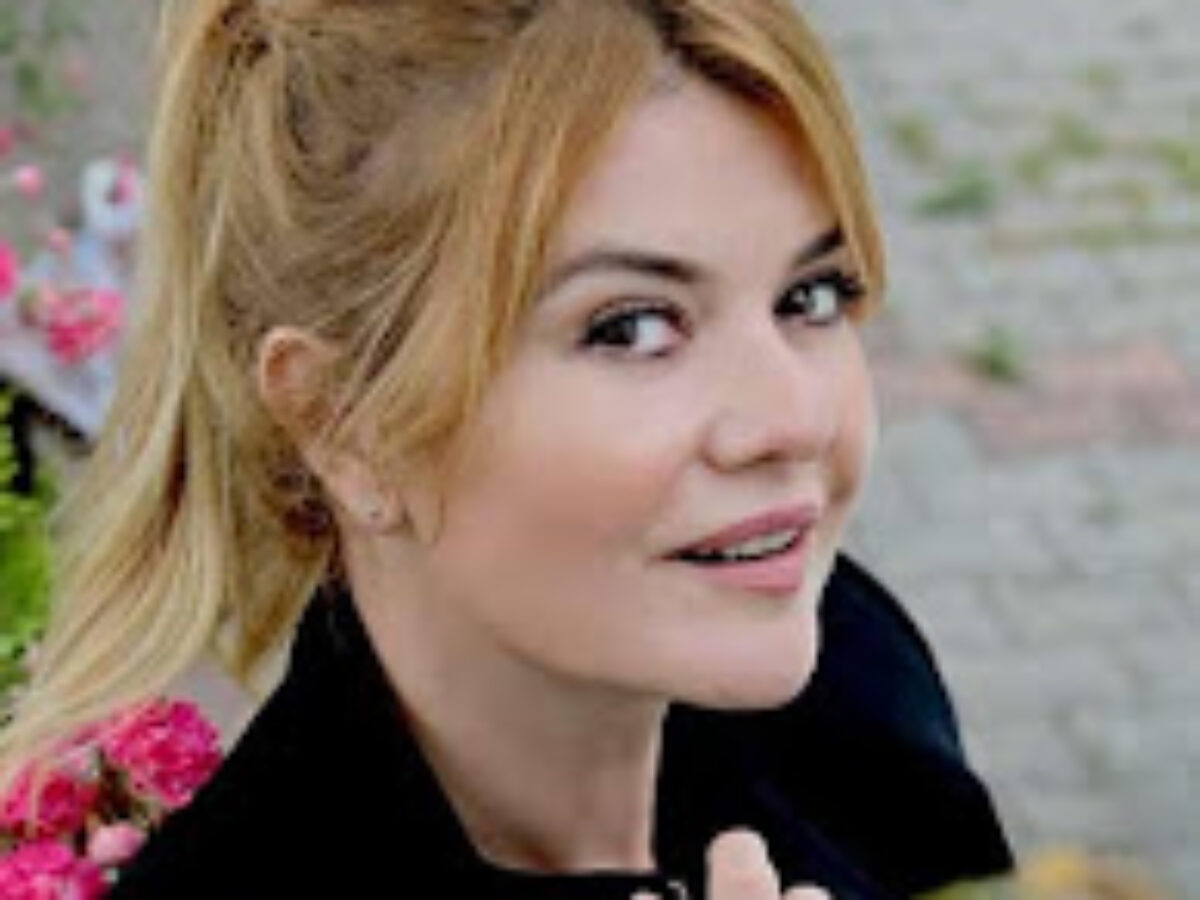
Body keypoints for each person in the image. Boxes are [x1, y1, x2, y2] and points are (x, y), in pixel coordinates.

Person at [0, 0, 1014, 897]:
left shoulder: (851, 690)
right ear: (343, 421)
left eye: (811, 296)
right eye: (632, 327)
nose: (794, 419)